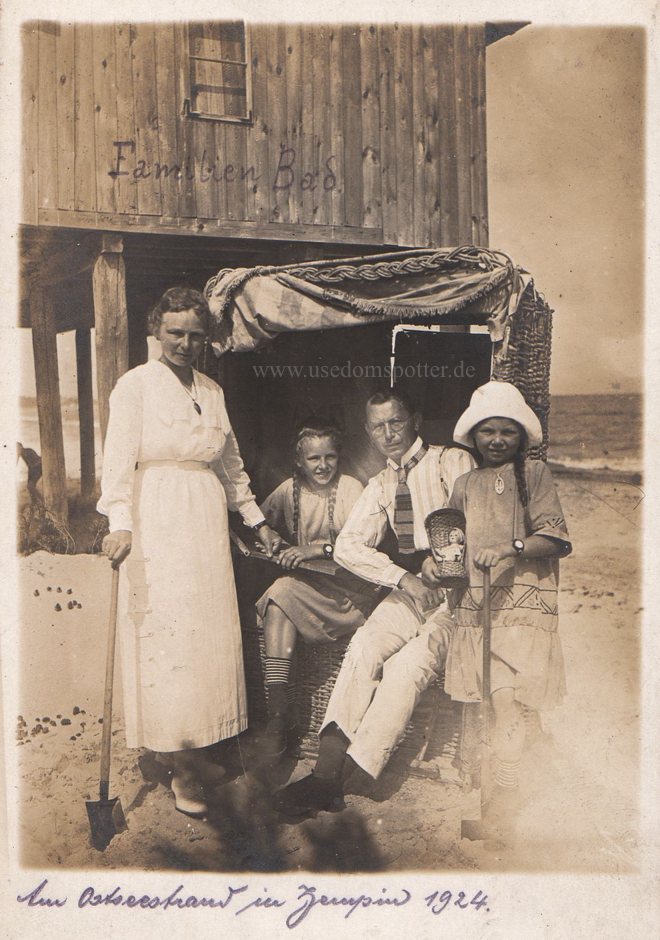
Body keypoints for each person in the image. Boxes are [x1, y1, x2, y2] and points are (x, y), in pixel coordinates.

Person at [98, 286, 280, 818]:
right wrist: (120, 524)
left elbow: (230, 466)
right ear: (156, 331)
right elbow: (118, 462)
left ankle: (197, 749)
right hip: (157, 518)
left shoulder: (212, 391)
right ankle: (180, 768)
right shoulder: (134, 387)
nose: (184, 343)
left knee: (205, 640)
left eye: (195, 335)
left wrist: (256, 520)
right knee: (170, 638)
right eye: (175, 332)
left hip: (203, 521)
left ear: (207, 339)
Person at [276, 387, 475, 816]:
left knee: (407, 666)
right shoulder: (381, 483)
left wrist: (440, 564)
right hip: (412, 589)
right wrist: (401, 576)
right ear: (368, 433)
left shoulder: (451, 462)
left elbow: (475, 525)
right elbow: (347, 546)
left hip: (461, 595)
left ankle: (354, 774)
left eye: (396, 422)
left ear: (414, 421)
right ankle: (324, 773)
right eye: (378, 427)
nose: (389, 434)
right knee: (365, 645)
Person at [435, 380, 571, 837]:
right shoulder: (464, 484)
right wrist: (436, 567)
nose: (496, 440)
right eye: (487, 431)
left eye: (506, 432)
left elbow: (556, 536)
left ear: (521, 435)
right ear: (472, 436)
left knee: (506, 703)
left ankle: (505, 802)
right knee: (496, 706)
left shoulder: (533, 476)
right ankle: (499, 796)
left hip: (521, 609)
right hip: (477, 612)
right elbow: (448, 546)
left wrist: (511, 547)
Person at [255, 418, 382, 760]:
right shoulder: (288, 491)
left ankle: (281, 715)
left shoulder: (353, 489)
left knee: (282, 592)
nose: (323, 465)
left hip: (351, 594)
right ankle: (280, 715)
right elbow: (260, 523)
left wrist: (317, 548)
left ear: (339, 458)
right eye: (314, 459)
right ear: (299, 461)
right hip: (311, 590)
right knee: (279, 596)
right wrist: (272, 540)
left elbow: (368, 541)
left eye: (330, 457)